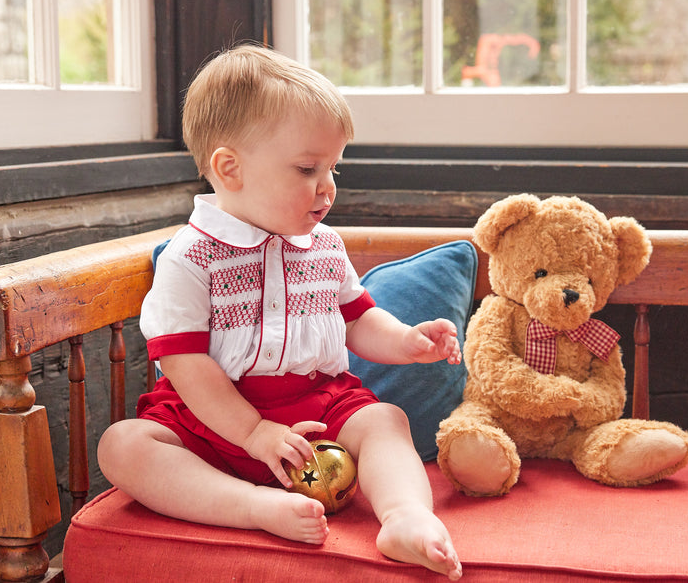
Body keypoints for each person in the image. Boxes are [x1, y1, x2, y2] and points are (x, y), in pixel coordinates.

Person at [97, 43, 463, 580]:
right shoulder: (191, 258)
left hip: (316, 407)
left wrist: (406, 341)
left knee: (385, 419)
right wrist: (251, 433)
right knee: (123, 446)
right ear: (230, 168)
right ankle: (248, 506)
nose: (328, 187)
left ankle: (405, 517)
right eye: (307, 168)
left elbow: (358, 319)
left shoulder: (324, 247)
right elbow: (187, 367)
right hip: (215, 419)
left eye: (334, 167)